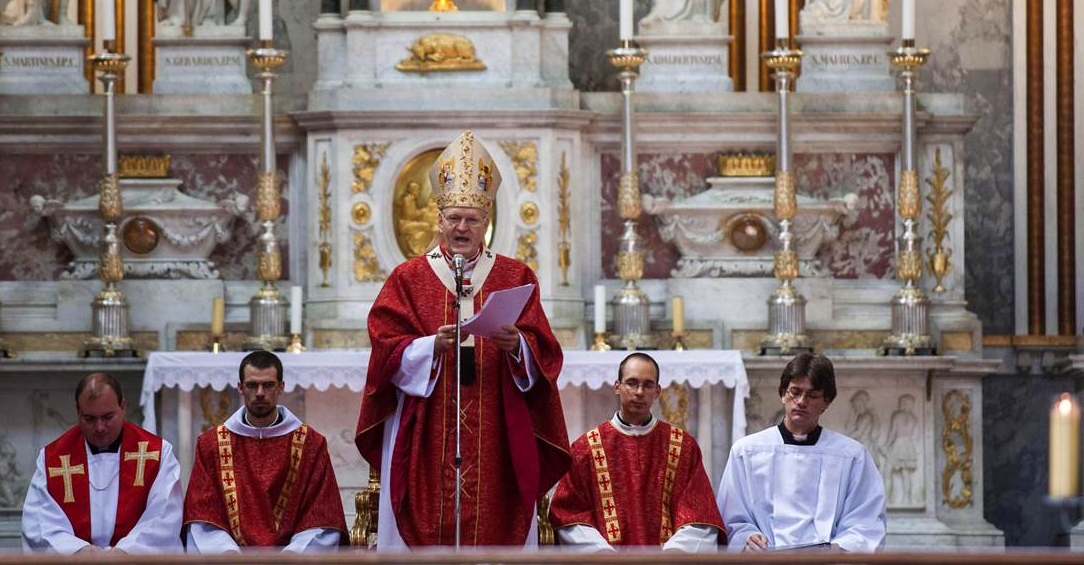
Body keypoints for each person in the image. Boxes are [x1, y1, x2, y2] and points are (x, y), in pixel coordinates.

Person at [355, 130, 571, 548]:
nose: (461, 227)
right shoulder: (408, 277)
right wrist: (427, 347)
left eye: (472, 219)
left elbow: (544, 349)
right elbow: (384, 346)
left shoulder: (515, 275)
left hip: (496, 422)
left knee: (496, 518)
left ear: (485, 224)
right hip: (429, 422)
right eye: (454, 218)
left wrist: (519, 348)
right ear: (439, 220)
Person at [550, 353, 726, 551]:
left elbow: (700, 513)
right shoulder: (586, 448)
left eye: (648, 385)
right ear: (617, 387)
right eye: (632, 383)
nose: (639, 392)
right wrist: (602, 554)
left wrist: (675, 553)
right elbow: (570, 514)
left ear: (658, 391)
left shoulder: (683, 446)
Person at [717, 353, 887, 551]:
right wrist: (747, 537)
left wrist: (839, 548)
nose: (801, 401)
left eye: (812, 395)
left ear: (827, 402)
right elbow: (732, 516)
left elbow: (866, 521)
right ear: (783, 394)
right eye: (794, 392)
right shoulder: (747, 451)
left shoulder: (851, 455)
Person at [184, 350, 348, 551]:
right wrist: (227, 553)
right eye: (252, 385)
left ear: (281, 387)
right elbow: (203, 514)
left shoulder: (310, 444)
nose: (260, 393)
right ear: (240, 388)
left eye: (268, 385)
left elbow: (322, 514)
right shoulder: (212, 444)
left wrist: (292, 555)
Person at [22, 373, 183, 553]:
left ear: (122, 407)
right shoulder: (53, 459)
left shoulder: (157, 453)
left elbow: (166, 515)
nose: (99, 427)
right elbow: (38, 522)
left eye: (108, 416)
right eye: (89, 418)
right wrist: (77, 550)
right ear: (77, 411)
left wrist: (128, 551)